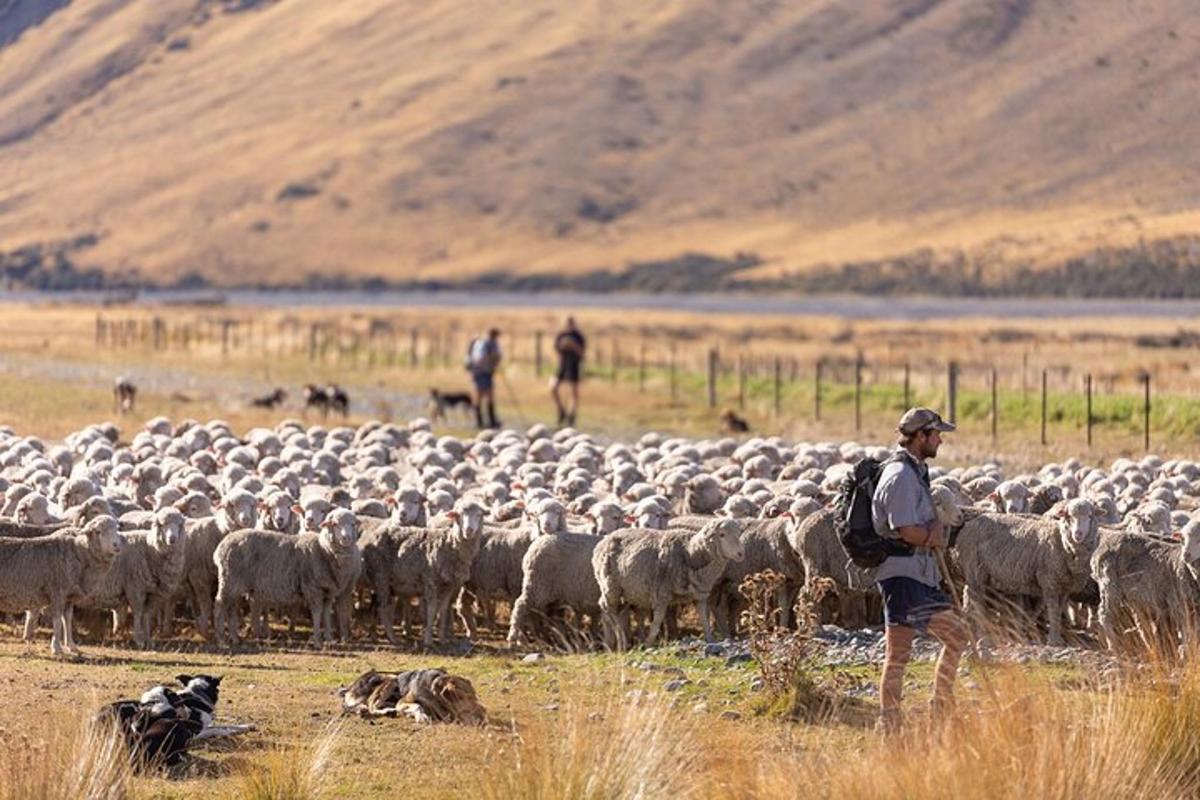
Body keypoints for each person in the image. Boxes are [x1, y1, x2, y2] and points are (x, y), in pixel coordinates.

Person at [871, 407, 968, 734]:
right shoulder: (899, 477)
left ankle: (939, 704)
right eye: (936, 434)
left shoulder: (914, 471)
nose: (940, 439)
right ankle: (891, 724)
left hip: (917, 572)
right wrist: (933, 535)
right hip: (902, 574)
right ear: (920, 436)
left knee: (956, 635)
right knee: (898, 653)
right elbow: (905, 528)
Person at [551, 317, 586, 426]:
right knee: (553, 386)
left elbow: (582, 353)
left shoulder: (578, 336)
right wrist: (563, 345)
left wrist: (573, 346)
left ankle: (572, 415)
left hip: (574, 365)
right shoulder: (561, 335)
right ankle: (561, 410)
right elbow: (557, 350)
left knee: (573, 392)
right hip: (562, 365)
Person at [466, 328, 502, 429]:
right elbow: (479, 358)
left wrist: (494, 363)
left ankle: (491, 421)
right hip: (480, 373)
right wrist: (491, 360)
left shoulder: (493, 343)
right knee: (479, 396)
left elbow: (498, 356)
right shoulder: (483, 344)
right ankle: (479, 421)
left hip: (487, 373)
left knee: (489, 395)